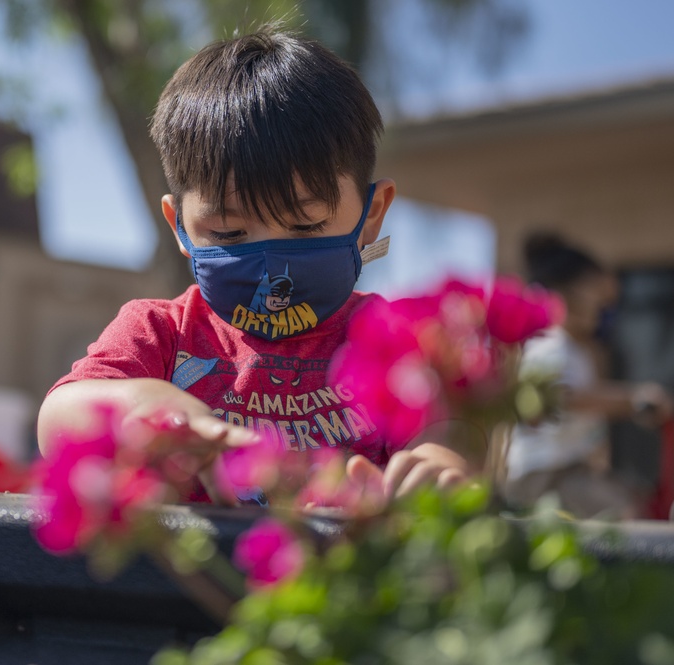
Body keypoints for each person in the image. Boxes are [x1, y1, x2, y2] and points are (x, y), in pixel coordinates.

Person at [37, 26, 475, 504]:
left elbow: (449, 429)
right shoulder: (161, 334)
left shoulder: (391, 341)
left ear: (371, 215)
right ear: (179, 225)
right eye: (228, 233)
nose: (270, 260)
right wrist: (146, 406)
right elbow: (57, 419)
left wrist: (443, 461)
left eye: (305, 226)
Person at [503, 233, 673, 519]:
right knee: (623, 514)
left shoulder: (578, 350)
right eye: (599, 300)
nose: (605, 311)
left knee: (633, 499)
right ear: (564, 294)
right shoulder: (547, 344)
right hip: (543, 475)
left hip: (571, 471)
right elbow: (561, 398)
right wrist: (631, 400)